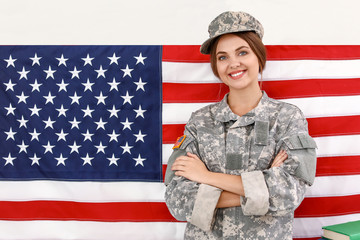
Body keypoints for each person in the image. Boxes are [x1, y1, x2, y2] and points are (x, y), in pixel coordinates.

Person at [164, 11, 317, 239]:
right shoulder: (199, 121)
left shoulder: (287, 117)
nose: (233, 64)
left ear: (259, 57)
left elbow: (289, 193)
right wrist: (263, 186)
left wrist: (206, 176)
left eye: (242, 52)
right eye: (222, 57)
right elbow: (177, 201)